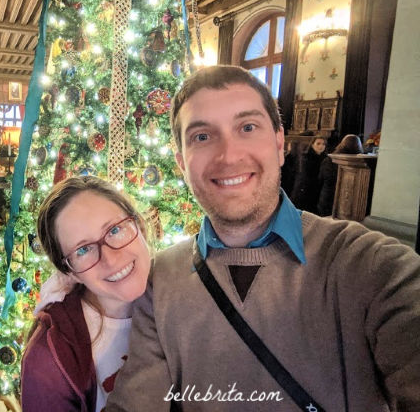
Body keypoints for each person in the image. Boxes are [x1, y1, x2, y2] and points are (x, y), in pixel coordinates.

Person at [106, 65, 420, 411]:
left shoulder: (368, 265)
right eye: (202, 136)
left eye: (247, 127)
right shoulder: (161, 279)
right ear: (182, 163)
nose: (229, 155)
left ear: (279, 143)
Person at [21, 176, 151, 412]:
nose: (111, 259)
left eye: (115, 230)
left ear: (139, 225)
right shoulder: (48, 359)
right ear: (69, 273)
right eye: (83, 250)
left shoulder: (184, 296)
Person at [317, 134, 363, 216]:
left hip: (328, 199)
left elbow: (320, 179)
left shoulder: (329, 160)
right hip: (349, 204)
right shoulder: (362, 163)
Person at [290, 135, 327, 212]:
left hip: (315, 190)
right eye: (318, 143)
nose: (321, 146)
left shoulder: (324, 158)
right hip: (305, 191)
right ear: (312, 144)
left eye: (323, 144)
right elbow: (307, 177)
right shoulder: (307, 157)